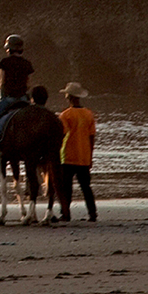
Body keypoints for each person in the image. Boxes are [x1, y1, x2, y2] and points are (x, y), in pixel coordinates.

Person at [0, 33, 35, 147]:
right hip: (24, 100)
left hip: (9, 99)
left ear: (9, 49)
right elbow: (29, 84)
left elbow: (2, 82)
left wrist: (3, 97)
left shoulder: (4, 63)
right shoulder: (27, 64)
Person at [55, 82, 97, 221]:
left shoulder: (65, 115)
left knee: (66, 187)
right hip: (84, 155)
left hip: (68, 155)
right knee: (86, 187)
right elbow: (92, 137)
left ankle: (65, 213)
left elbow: (62, 134)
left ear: (69, 97)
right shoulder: (89, 114)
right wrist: (90, 156)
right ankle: (92, 213)